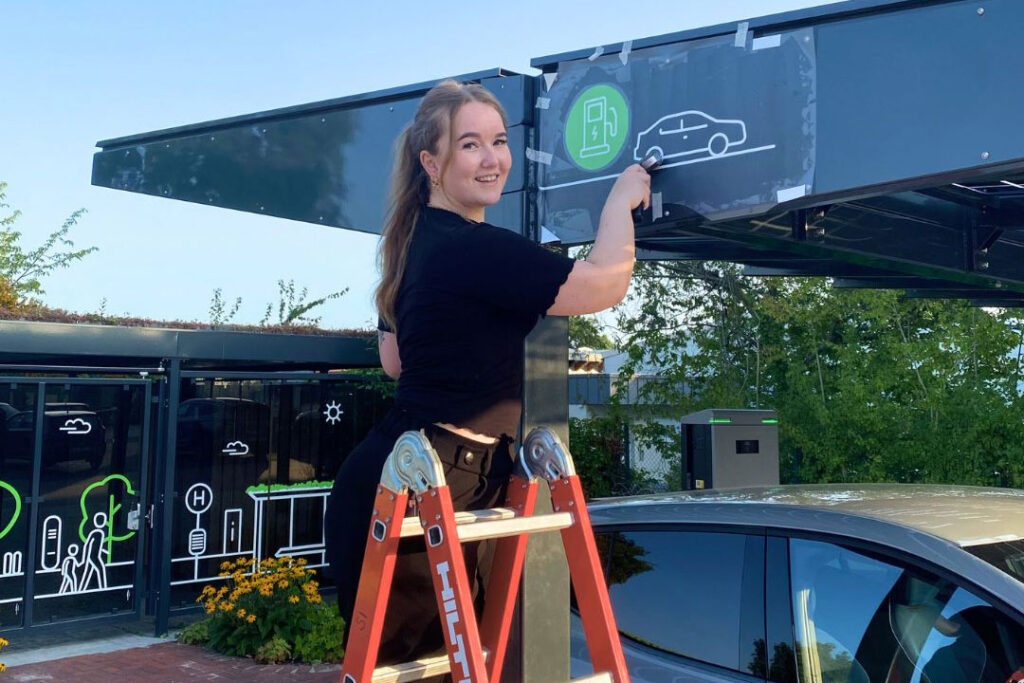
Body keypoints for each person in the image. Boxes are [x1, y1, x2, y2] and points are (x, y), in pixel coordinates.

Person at [323, 79, 649, 667]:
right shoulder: (476, 248)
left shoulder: (411, 243)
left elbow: (395, 362)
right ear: (432, 162)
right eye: (470, 144)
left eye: (499, 141)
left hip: (409, 475)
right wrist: (619, 202)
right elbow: (605, 283)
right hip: (429, 487)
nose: (492, 158)